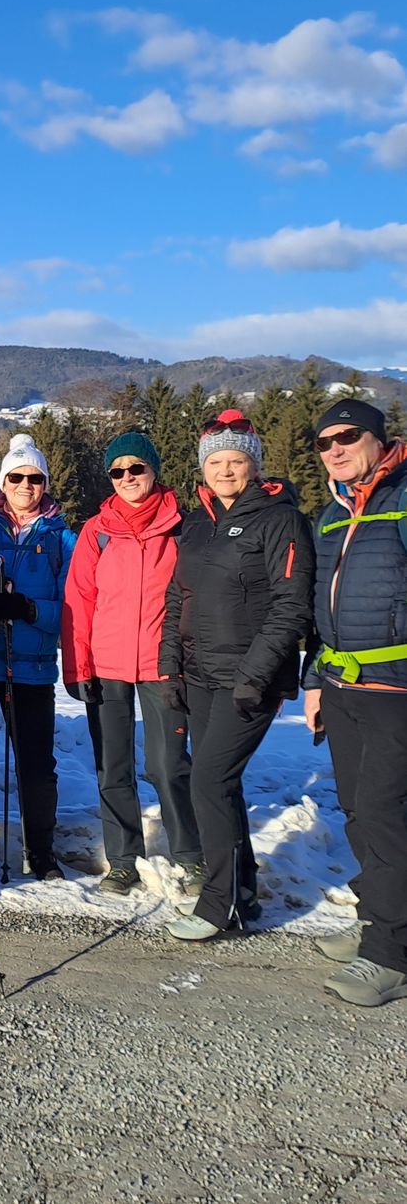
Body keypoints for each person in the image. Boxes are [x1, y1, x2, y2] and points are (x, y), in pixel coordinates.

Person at [161, 409, 314, 942]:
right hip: (200, 675)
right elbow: (177, 598)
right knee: (218, 785)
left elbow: (292, 605)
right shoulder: (198, 523)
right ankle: (242, 892)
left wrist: (256, 674)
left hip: (249, 679)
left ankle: (218, 904)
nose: (225, 470)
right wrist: (170, 667)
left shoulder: (280, 519)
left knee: (210, 780)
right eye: (216, 462)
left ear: (254, 465)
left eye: (236, 461)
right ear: (203, 469)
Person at [61, 432, 203, 897]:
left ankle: (190, 854)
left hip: (164, 663)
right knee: (113, 767)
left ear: (153, 470)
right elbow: (79, 600)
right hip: (106, 664)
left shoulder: (182, 527)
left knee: (168, 765)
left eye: (136, 468)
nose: (127, 477)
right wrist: (77, 667)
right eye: (117, 471)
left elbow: (196, 598)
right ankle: (123, 861)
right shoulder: (97, 531)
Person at [304, 400, 407, 1007]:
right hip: (342, 684)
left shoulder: (403, 499)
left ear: (380, 438)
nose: (335, 449)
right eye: (324, 442)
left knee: (385, 812)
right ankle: (380, 917)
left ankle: (392, 953)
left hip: (396, 686)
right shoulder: (332, 513)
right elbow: (322, 606)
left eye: (347, 436)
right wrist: (315, 679)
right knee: (355, 808)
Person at [0, 433, 77, 880]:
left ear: (45, 483)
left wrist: (29, 609)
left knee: (36, 765)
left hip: (32, 669)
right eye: (16, 477)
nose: (25, 486)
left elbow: (72, 607)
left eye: (35, 478)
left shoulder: (61, 537)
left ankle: (41, 851)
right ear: (2, 481)